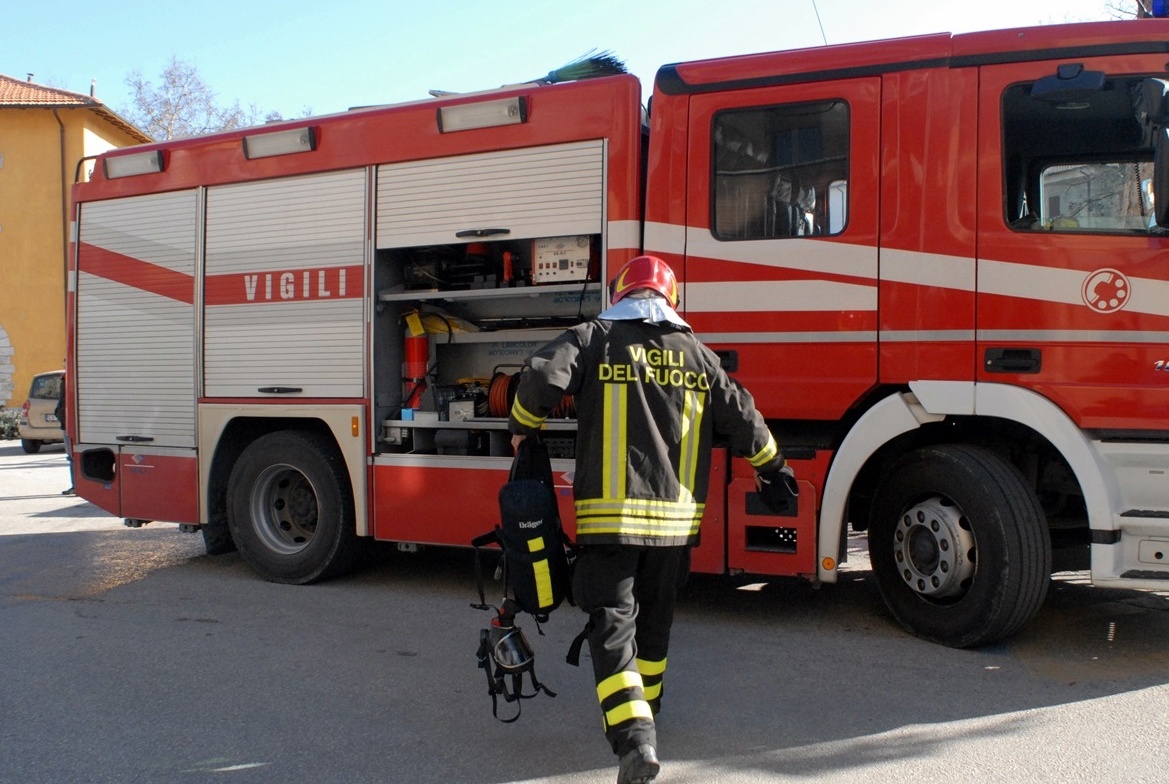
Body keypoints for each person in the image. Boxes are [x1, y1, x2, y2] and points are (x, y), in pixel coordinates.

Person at [508, 255, 796, 784]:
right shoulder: (699, 356)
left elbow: (541, 376)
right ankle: (648, 712)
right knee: (655, 623)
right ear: (671, 300)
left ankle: (635, 738)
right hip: (674, 528)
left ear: (620, 295)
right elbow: (744, 416)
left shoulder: (594, 337)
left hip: (610, 520)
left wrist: (523, 428)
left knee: (612, 622)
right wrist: (774, 469)